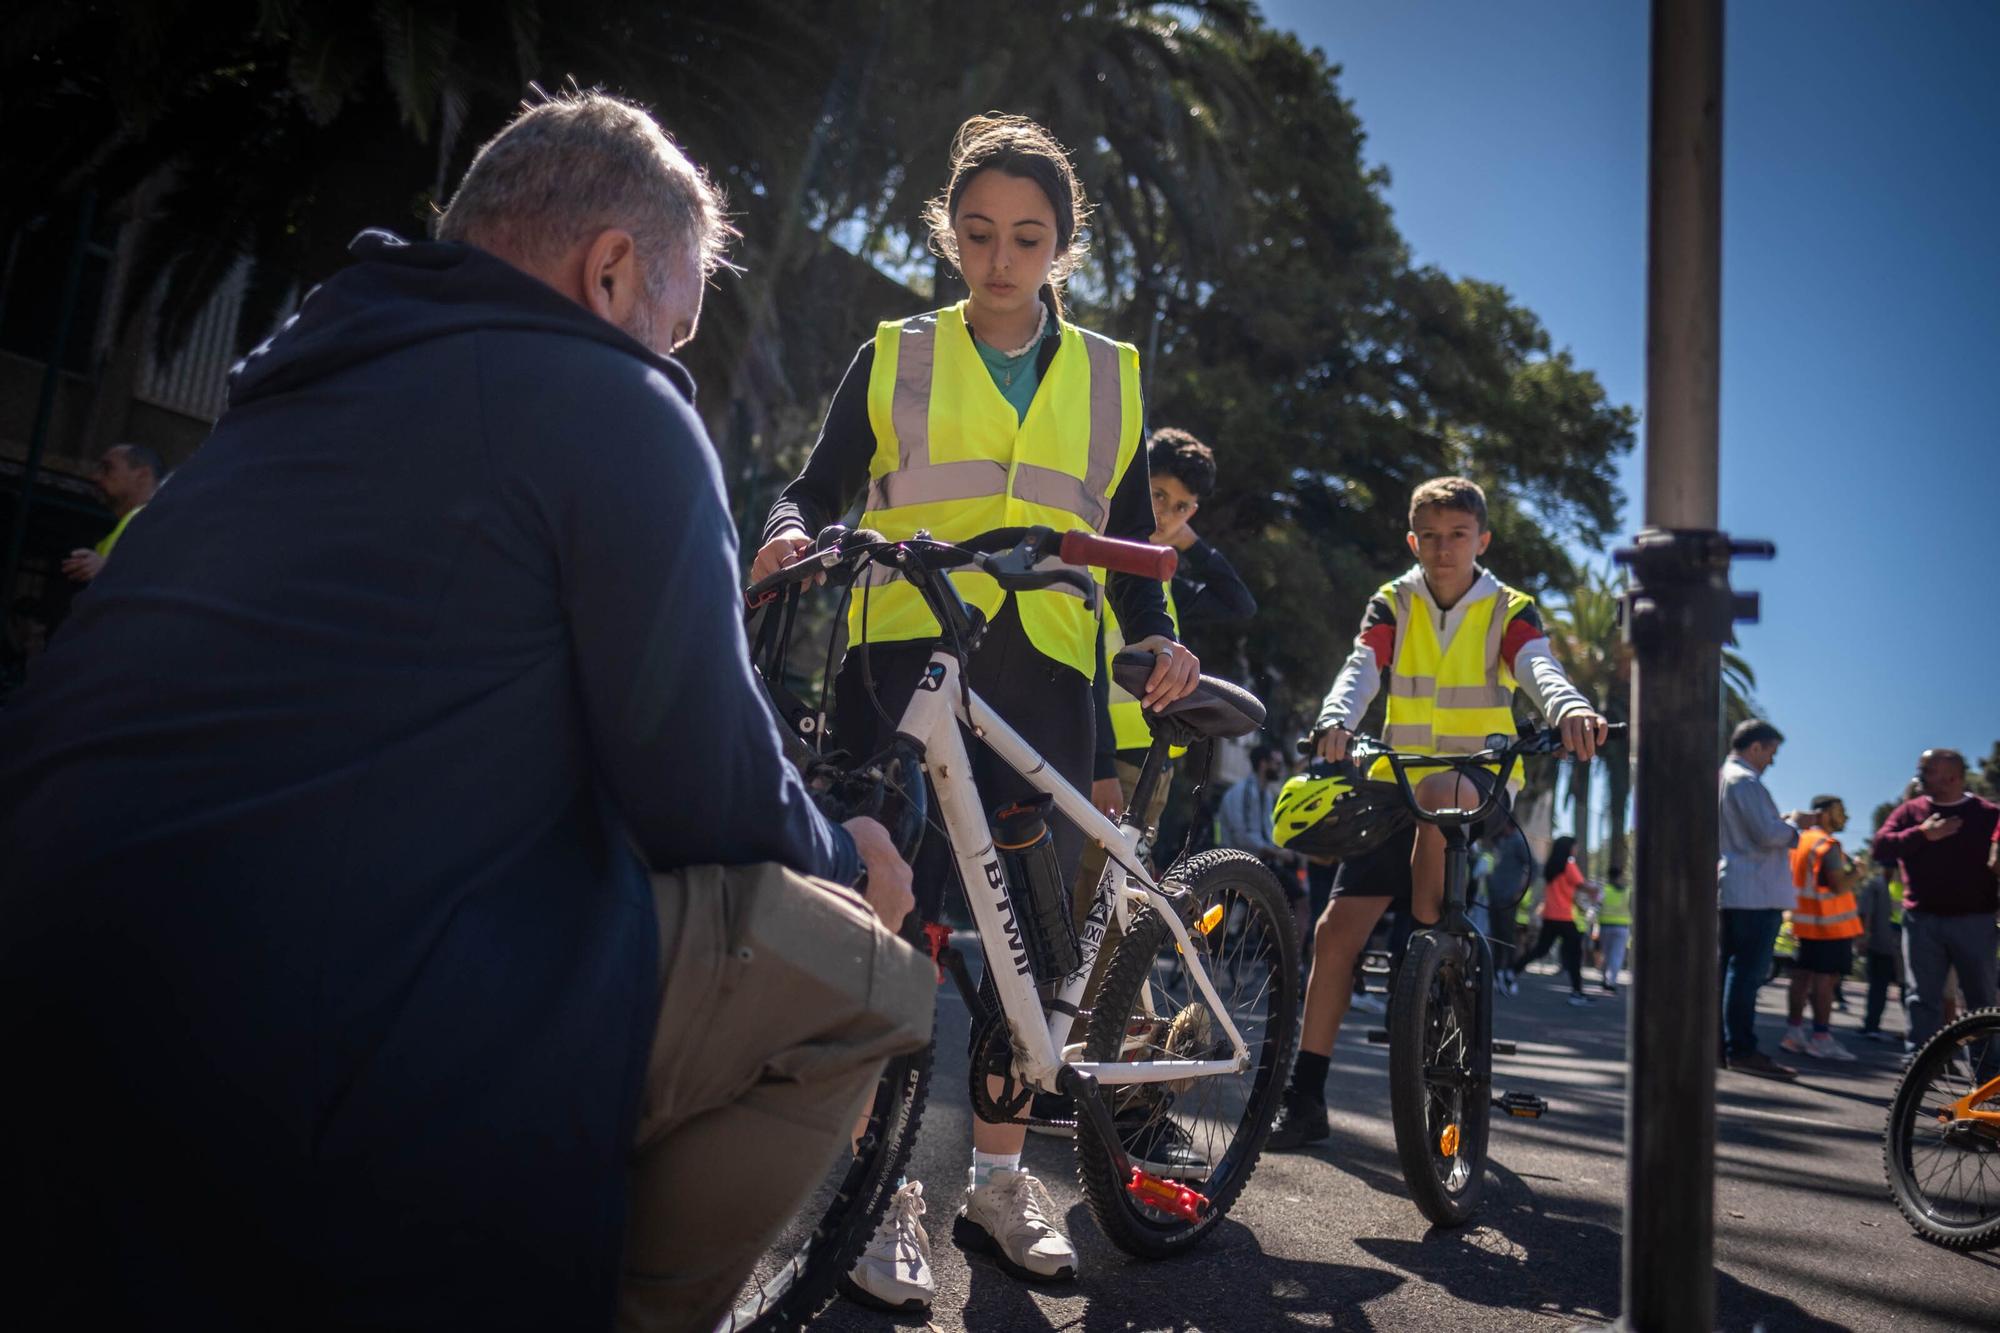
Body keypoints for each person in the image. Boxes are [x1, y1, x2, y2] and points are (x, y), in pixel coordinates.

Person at [0, 92, 937, 1333]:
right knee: (869, 981)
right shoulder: (615, 404)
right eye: (677, 326)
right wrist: (846, 855)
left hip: (50, 985)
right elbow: (701, 791)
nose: (675, 361)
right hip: (309, 1026)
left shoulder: (285, 393)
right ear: (609, 271)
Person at [750, 114, 1200, 1309]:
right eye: (979, 233)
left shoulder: (1113, 376)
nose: (1000, 260)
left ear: (1065, 247)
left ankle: (998, 1184)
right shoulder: (894, 349)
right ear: (948, 231)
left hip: (1045, 679)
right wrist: (790, 529)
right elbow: (817, 483)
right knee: (888, 930)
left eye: (1028, 238)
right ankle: (881, 1193)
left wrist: (1146, 659)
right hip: (897, 658)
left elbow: (1116, 556)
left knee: (1026, 955)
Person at [1269, 475, 1607, 1149]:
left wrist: (1568, 708)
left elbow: (1538, 668)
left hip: (1473, 783)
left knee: (1441, 809)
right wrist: (1337, 718)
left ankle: (1425, 950)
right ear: (1412, 539)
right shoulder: (1394, 599)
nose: (1443, 549)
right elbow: (1361, 666)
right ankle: (1304, 1095)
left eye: (1458, 536)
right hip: (1396, 777)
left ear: (1482, 539)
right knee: (1335, 933)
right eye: (1429, 536)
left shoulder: (1509, 607)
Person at [1077, 426, 1255, 876]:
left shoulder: (1164, 580)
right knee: (1088, 899)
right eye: (1156, 495)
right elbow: (1089, 656)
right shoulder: (1106, 562)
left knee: (1119, 901)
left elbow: (1239, 603)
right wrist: (1099, 767)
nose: (1164, 513)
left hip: (1157, 759)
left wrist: (1187, 539)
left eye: (1181, 507)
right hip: (1107, 758)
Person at [1872, 747, 2000, 1052]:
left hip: (1976, 922)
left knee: (1980, 1001)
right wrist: (1922, 835)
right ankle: (1917, 1072)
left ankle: (1984, 1078)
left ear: (1953, 777)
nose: (1919, 776)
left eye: (1927, 770)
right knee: (1921, 998)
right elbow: (1880, 847)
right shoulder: (1910, 812)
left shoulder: (1988, 814)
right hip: (1922, 921)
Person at [1718, 718, 1805, 1080]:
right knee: (1746, 974)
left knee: (1733, 971)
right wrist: (1794, 827)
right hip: (1754, 892)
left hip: (1738, 887)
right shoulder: (1744, 781)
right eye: (1770, 752)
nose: (1771, 760)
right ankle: (1741, 1048)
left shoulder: (1726, 779)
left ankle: (1726, 1044)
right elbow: (1766, 834)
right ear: (1755, 747)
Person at [1780, 795, 1863, 1062]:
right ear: (1826, 812)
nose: (1845, 817)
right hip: (1830, 926)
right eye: (1840, 811)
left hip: (1804, 922)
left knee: (1801, 978)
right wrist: (1858, 872)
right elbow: (1839, 885)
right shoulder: (1827, 845)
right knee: (1824, 981)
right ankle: (1820, 1037)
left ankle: (1794, 1033)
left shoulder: (1799, 841)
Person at [61, 442, 163, 583]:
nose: (95, 477)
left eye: (107, 468)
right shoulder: (144, 520)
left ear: (142, 475)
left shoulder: (157, 521)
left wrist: (107, 569)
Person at [1513, 836, 1597, 1005]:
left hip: (1550, 915)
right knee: (1575, 953)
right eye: (1575, 847)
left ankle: (1510, 971)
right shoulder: (1569, 865)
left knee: (1541, 949)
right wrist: (1595, 890)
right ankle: (1577, 993)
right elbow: (1582, 885)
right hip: (1564, 917)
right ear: (1568, 848)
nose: (1576, 850)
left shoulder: (1551, 866)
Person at [1856, 856, 1908, 1042]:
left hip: (1885, 944)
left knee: (1881, 987)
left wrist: (1863, 938)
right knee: (1901, 988)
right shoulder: (1902, 885)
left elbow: (1865, 914)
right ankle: (1914, 1029)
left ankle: (1872, 1025)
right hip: (1894, 945)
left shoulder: (1876, 884)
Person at [1486, 826, 1535, 996]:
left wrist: (1520, 891)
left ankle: (1508, 972)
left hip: (1508, 897)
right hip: (1495, 897)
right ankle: (1496, 971)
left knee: (1507, 936)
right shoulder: (1500, 842)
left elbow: (1532, 866)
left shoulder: (1518, 842)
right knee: (1496, 935)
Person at [1596, 861, 1632, 995]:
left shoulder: (1604, 890)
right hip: (1622, 927)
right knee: (1616, 956)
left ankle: (1605, 979)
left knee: (1605, 954)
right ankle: (1611, 982)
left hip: (1605, 926)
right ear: (1621, 875)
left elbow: (1597, 905)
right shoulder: (1627, 891)